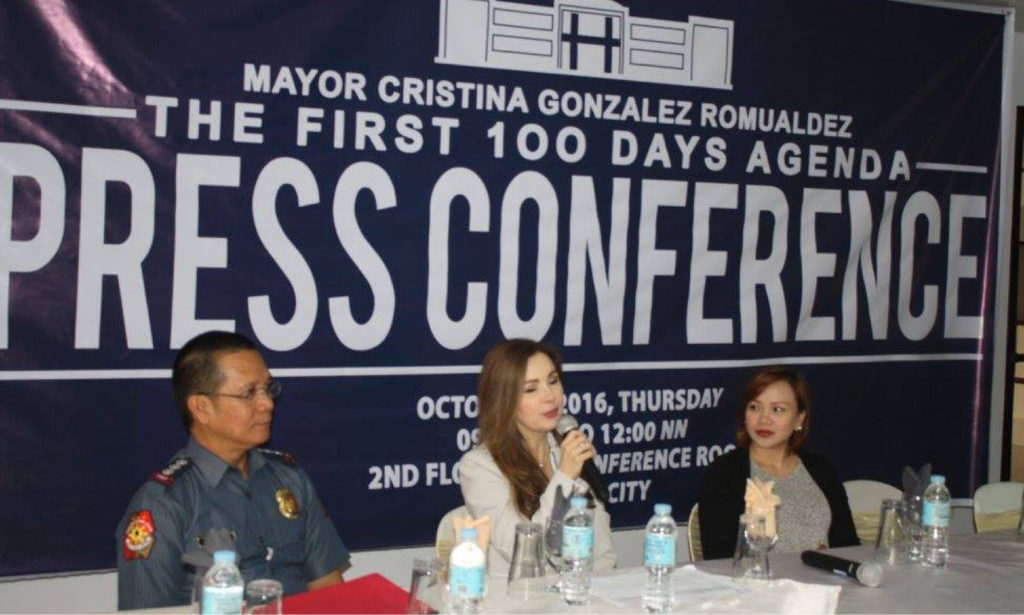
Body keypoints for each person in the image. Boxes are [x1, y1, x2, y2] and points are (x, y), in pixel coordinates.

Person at [116, 331, 350, 610]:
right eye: (249, 393)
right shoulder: (163, 503)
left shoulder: (290, 478)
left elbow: (331, 593)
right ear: (201, 408)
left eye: (268, 388)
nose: (267, 404)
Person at [458, 338, 616, 576]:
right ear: (505, 401)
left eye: (553, 381)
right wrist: (564, 477)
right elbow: (524, 552)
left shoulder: (567, 450)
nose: (550, 396)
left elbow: (602, 551)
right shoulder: (479, 466)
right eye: (531, 389)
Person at [697, 366, 859, 560]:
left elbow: (848, 547)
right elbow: (719, 558)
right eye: (755, 407)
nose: (764, 419)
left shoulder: (821, 470)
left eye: (777, 409)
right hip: (758, 586)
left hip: (825, 586)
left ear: (799, 418)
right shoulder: (725, 473)